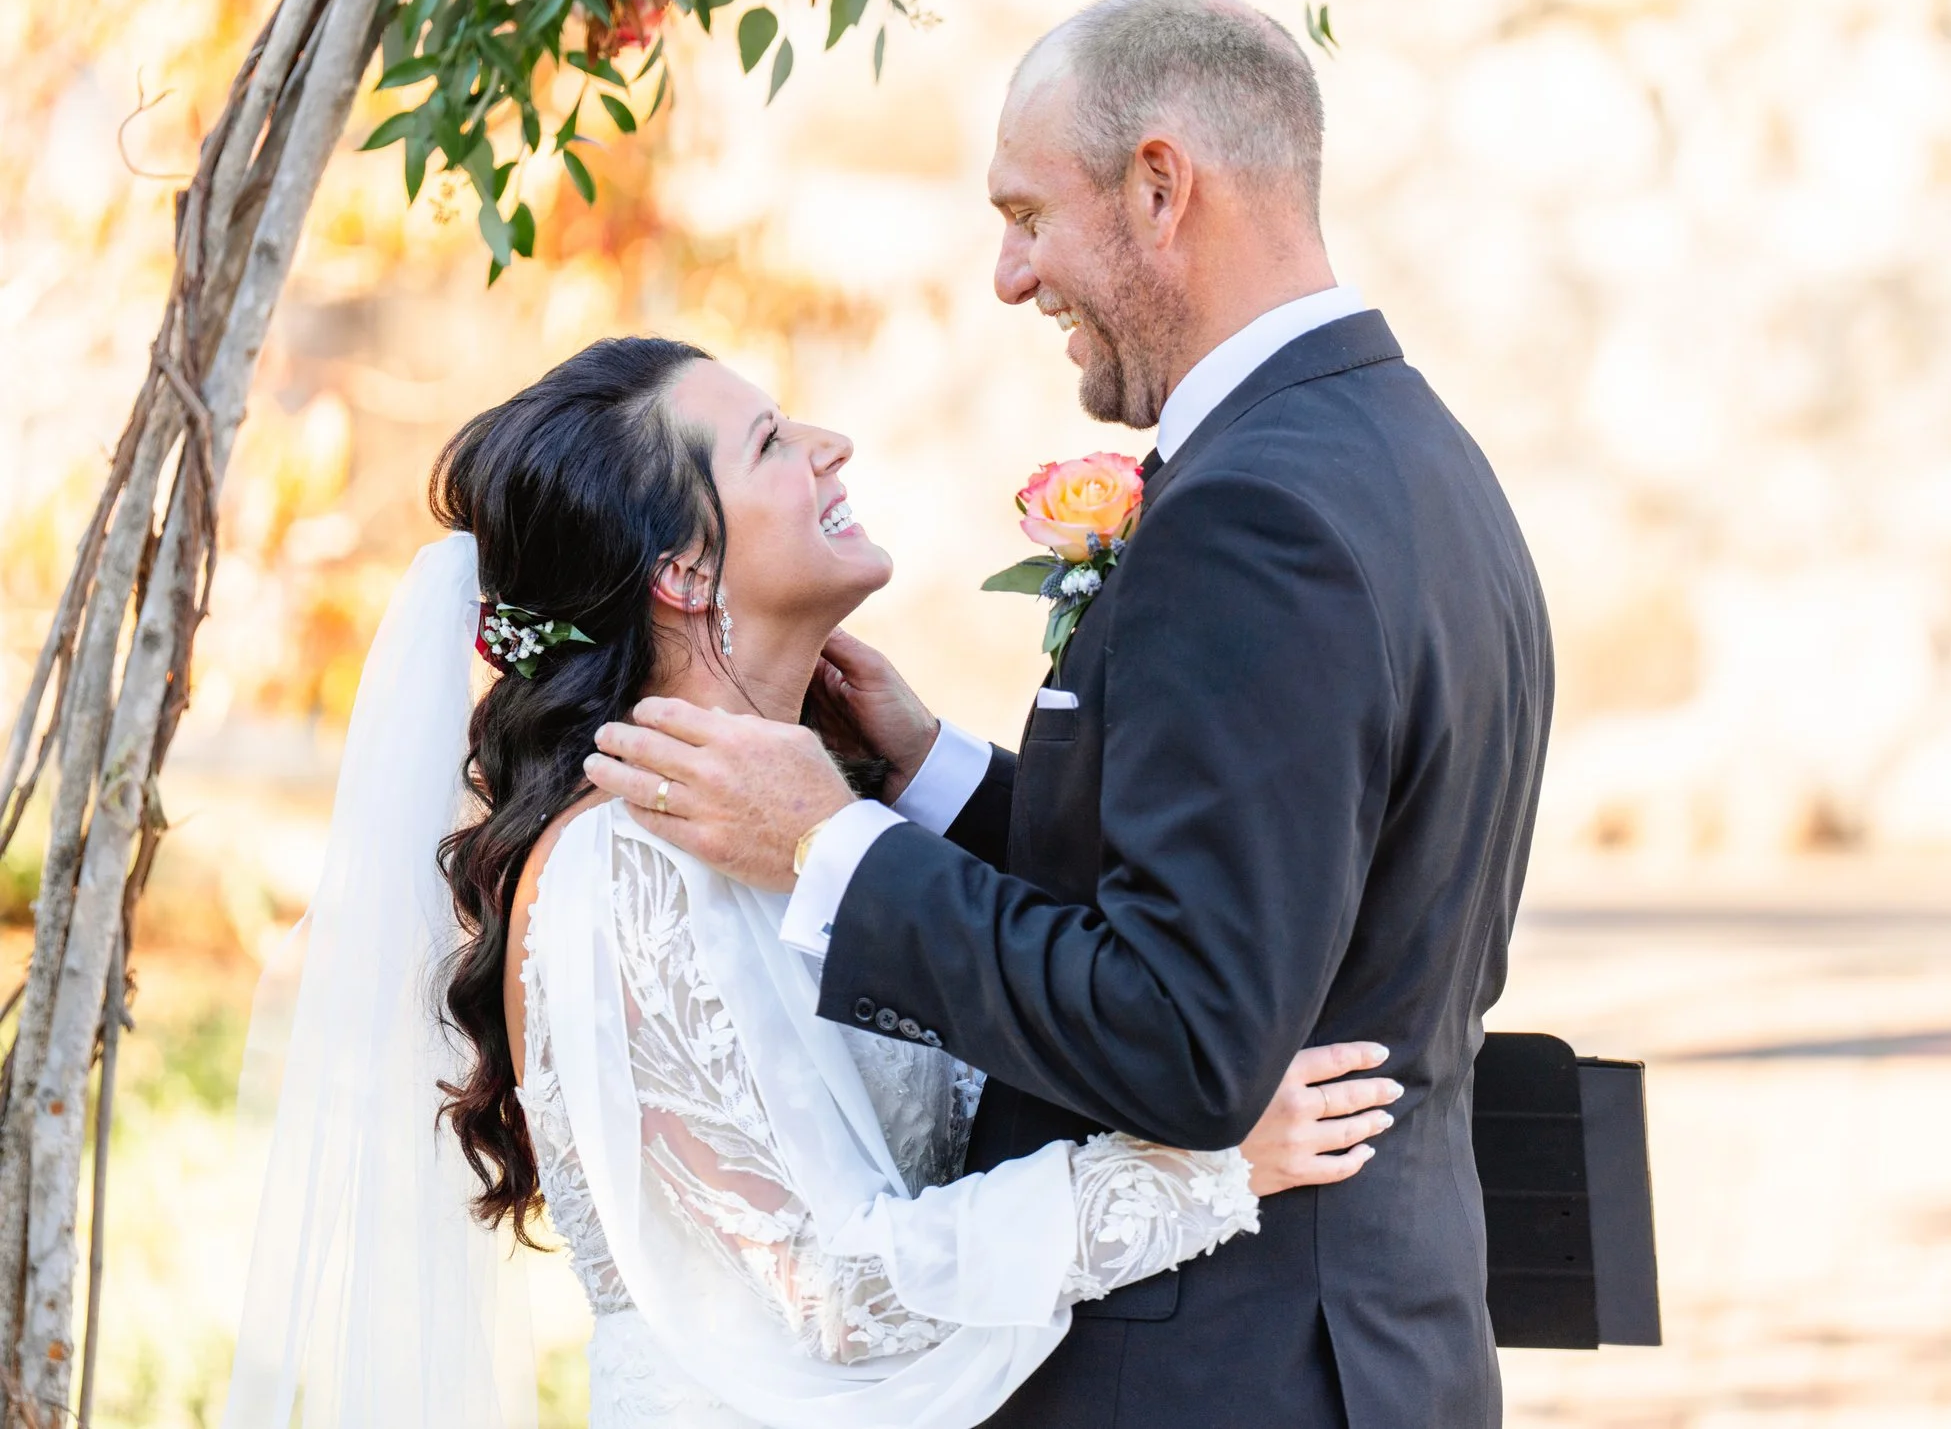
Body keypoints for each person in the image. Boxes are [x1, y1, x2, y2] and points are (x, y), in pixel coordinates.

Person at [587, 0, 1556, 1429]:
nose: (1008, 275)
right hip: (1370, 1341)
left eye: (1028, 215)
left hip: (1227, 1365)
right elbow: (1248, 866)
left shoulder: (1254, 516)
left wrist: (826, 843)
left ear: (1161, 184)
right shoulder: (1410, 453)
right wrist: (932, 775)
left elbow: (1185, 1032)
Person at [222, 336, 1400, 1429]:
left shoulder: (820, 823)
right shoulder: (616, 868)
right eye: (774, 441)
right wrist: (1205, 1166)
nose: (830, 444)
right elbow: (825, 1292)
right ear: (681, 567)